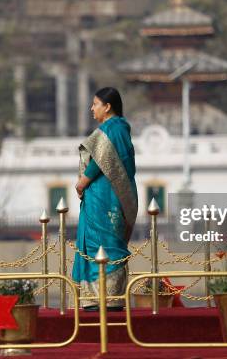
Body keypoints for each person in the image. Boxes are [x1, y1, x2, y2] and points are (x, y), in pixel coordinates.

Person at [72, 87, 138, 311]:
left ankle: (105, 299)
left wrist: (82, 182)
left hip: (105, 199)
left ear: (107, 107)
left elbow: (98, 162)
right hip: (103, 198)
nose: (92, 108)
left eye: (95, 104)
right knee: (101, 243)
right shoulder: (116, 129)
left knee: (103, 243)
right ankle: (97, 298)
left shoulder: (114, 129)